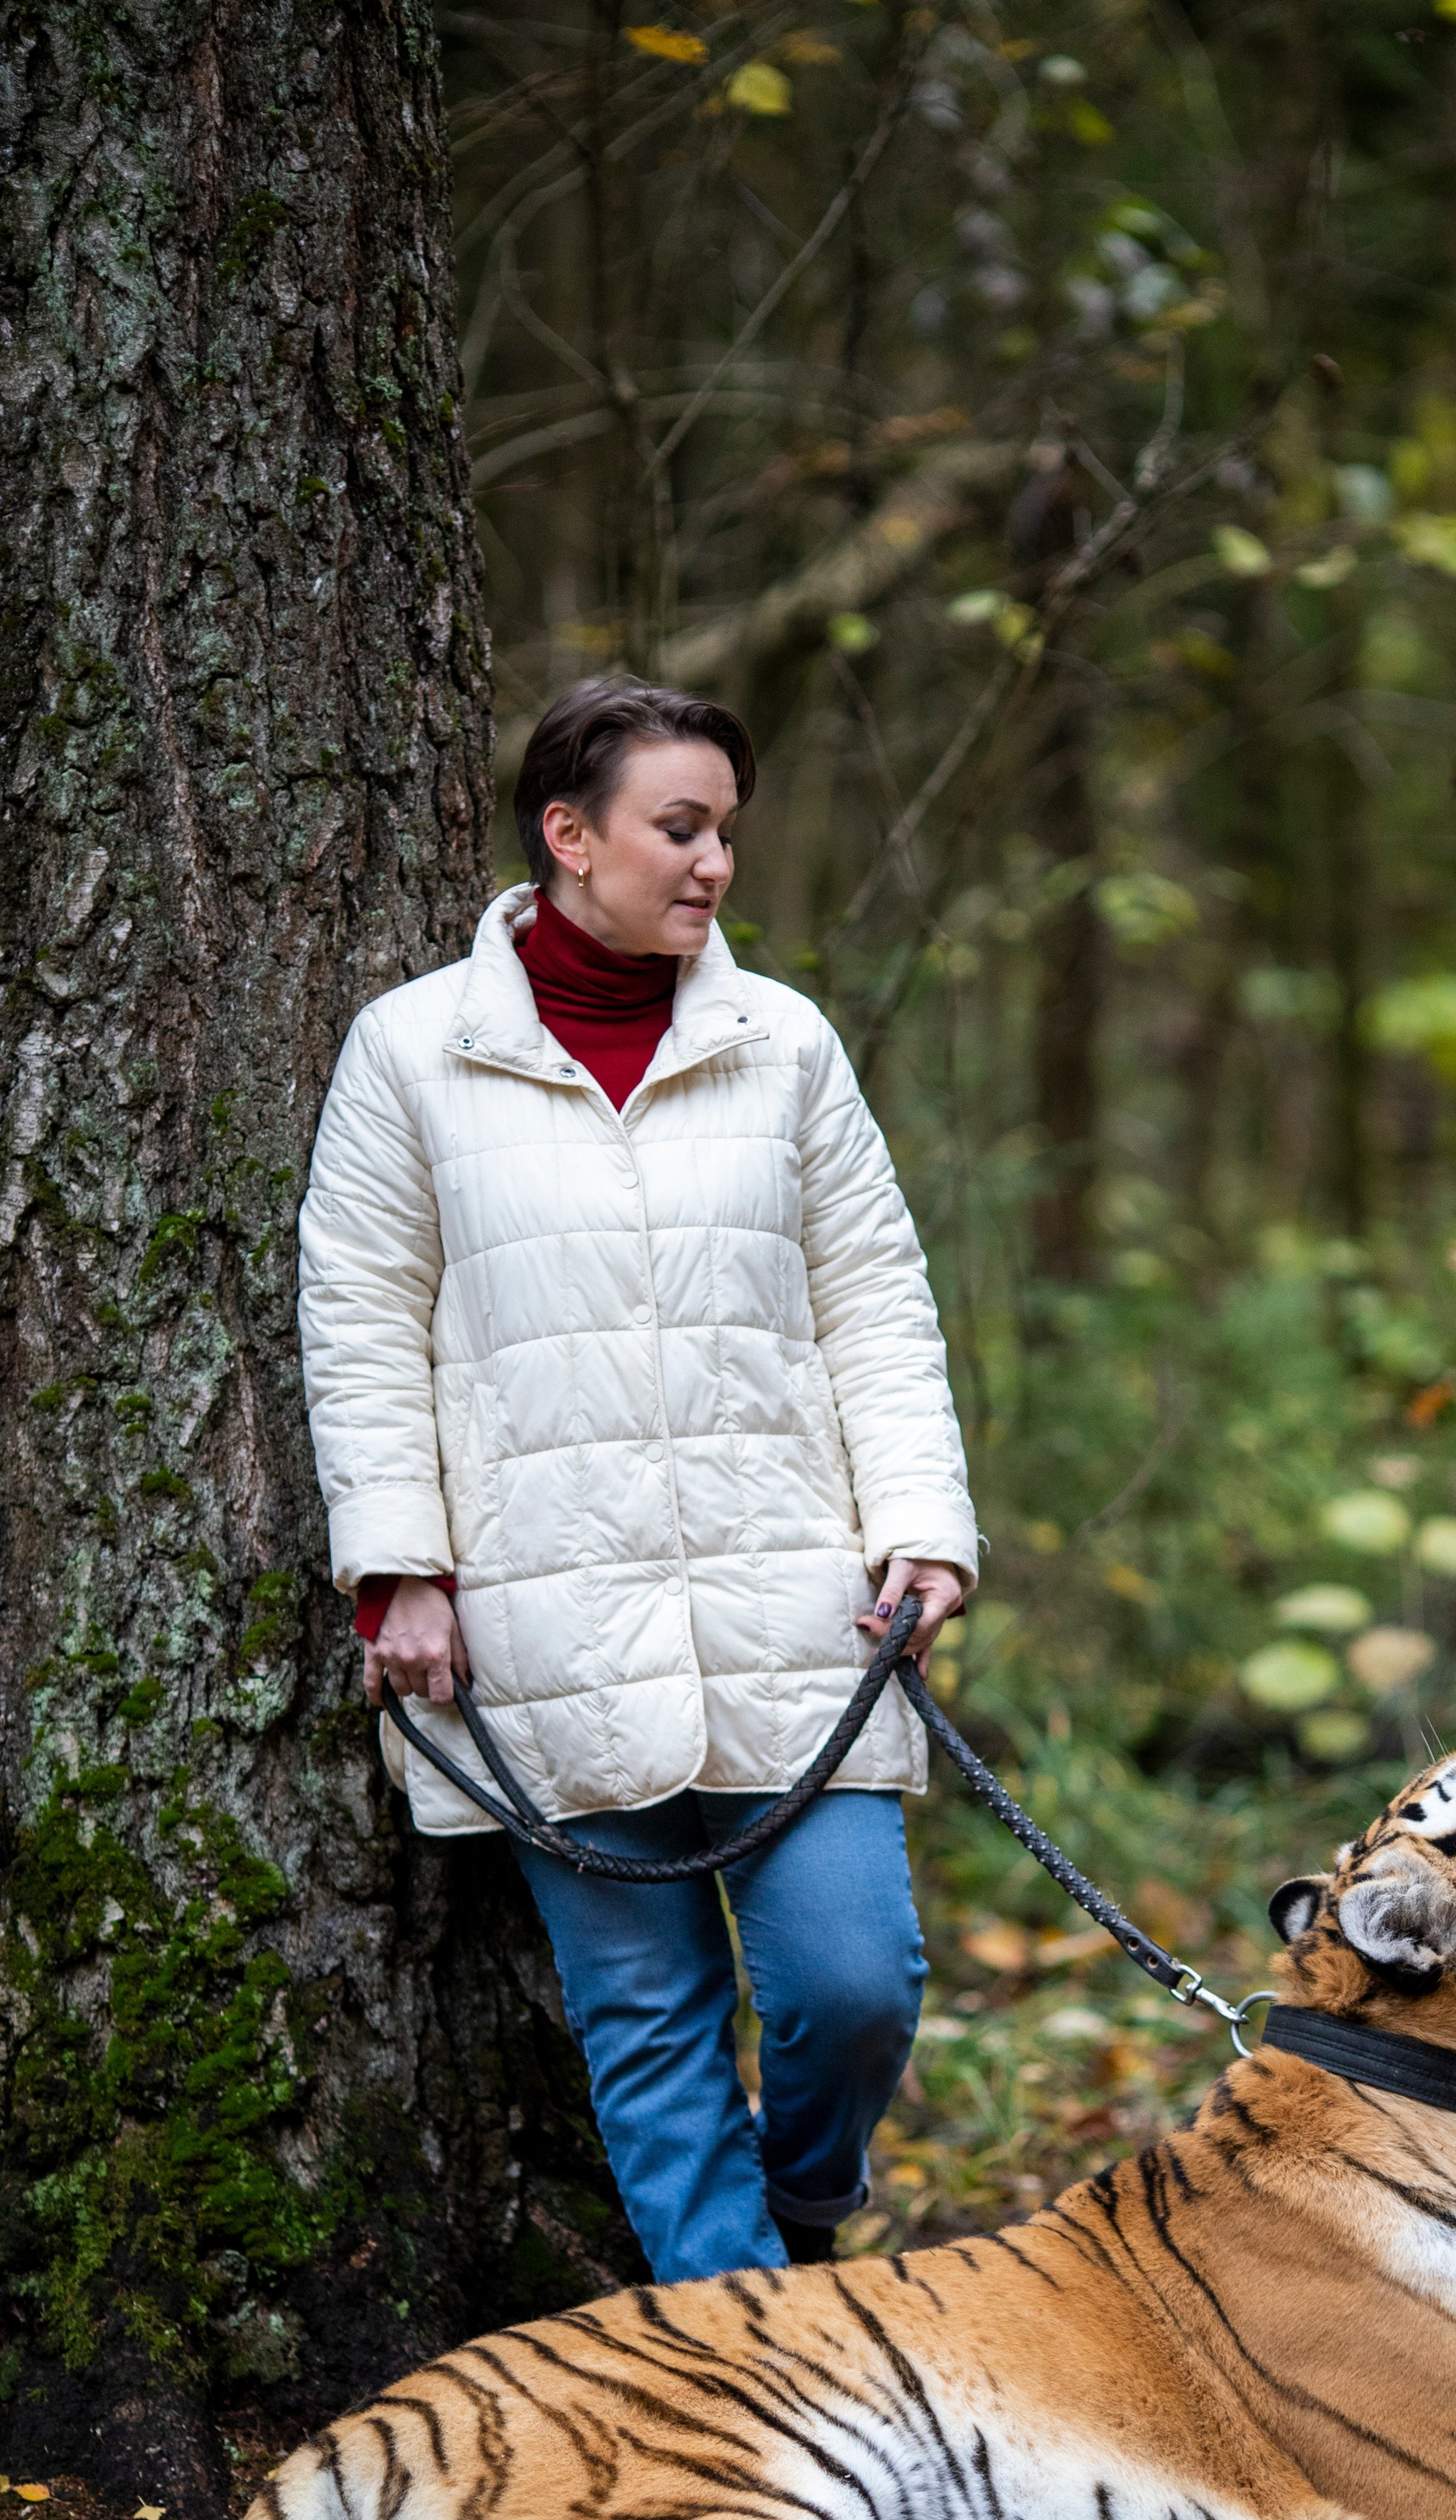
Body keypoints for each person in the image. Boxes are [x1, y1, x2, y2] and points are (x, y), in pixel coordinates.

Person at [297, 677, 977, 2282]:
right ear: (568, 834)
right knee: (649, 2033)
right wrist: (399, 1567)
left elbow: (874, 1297)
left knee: (851, 1981)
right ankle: (747, 2380)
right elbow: (362, 1320)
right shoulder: (410, 1052)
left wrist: (921, 1530)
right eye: (680, 828)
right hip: (546, 1618)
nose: (713, 864)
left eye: (726, 833)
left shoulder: (783, 1042)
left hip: (790, 1609)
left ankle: (804, 2216)